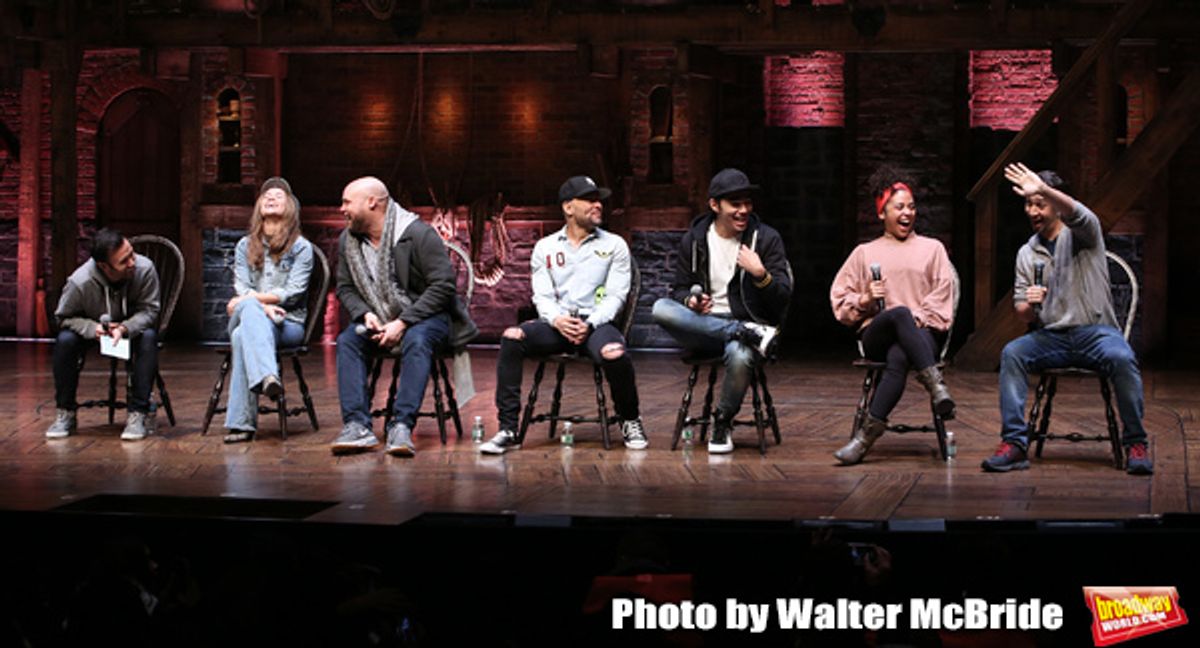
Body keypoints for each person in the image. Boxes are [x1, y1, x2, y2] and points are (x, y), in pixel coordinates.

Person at [982, 163, 1153, 475]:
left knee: (1122, 357)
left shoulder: (1082, 235)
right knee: (1012, 354)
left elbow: (1081, 214)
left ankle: (1136, 444)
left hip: (1095, 332)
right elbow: (1022, 311)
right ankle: (1015, 444)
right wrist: (1031, 306)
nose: (1033, 210)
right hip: (1052, 337)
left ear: (1055, 205)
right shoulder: (1027, 253)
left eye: (1040, 204)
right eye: (1028, 204)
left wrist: (1043, 188)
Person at [479, 175, 647, 454]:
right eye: (590, 200)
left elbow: (617, 296)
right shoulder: (546, 247)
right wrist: (557, 320)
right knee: (512, 336)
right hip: (557, 323)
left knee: (615, 353)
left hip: (597, 324)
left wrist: (590, 323)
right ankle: (508, 429)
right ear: (568, 207)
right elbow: (542, 296)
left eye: (599, 201)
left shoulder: (615, 245)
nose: (598, 205)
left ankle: (630, 419)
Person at [329, 177, 477, 457]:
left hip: (426, 316)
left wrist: (403, 322)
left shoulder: (417, 234)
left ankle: (401, 425)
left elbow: (443, 287)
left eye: (347, 201)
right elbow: (346, 287)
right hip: (379, 317)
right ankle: (357, 425)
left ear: (372, 202)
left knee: (418, 339)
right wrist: (365, 313)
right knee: (348, 339)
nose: (341, 208)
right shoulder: (348, 239)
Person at [651, 168, 792, 453]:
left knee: (740, 355)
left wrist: (760, 273)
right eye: (735, 204)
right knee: (660, 308)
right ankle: (744, 333)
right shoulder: (694, 240)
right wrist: (691, 302)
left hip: (749, 321)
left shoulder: (765, 239)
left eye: (747, 203)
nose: (743, 211)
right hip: (706, 326)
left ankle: (723, 421)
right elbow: (679, 289)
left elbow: (782, 298)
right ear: (715, 205)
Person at [829, 168, 956, 465]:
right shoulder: (864, 253)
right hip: (877, 333)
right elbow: (840, 302)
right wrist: (865, 299)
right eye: (899, 207)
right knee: (899, 315)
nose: (907, 213)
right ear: (882, 212)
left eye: (911, 206)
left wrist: (916, 322)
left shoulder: (932, 249)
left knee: (899, 355)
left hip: (922, 336)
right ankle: (937, 387)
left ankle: (863, 440)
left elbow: (942, 296)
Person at [221, 177, 314, 443]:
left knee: (241, 336)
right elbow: (242, 286)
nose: (271, 197)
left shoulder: (301, 248)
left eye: (278, 195)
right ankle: (267, 375)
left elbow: (294, 291)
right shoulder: (243, 246)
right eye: (266, 196)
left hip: (288, 324)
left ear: (291, 207)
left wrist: (254, 304)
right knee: (249, 308)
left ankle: (241, 425)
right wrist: (262, 307)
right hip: (256, 315)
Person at [46, 228, 161, 441]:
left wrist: (125, 328)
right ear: (104, 266)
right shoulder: (80, 282)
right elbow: (62, 318)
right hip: (95, 329)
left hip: (131, 330)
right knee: (65, 341)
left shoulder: (144, 269)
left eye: (132, 253)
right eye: (124, 260)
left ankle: (139, 413)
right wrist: (93, 328)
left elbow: (150, 310)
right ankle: (66, 412)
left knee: (149, 338)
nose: (132, 262)